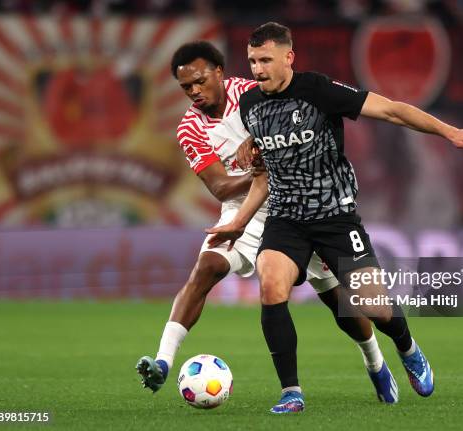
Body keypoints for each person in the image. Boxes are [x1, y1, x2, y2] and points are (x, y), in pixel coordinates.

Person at [207, 22, 463, 413]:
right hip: (285, 219)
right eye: (252, 61)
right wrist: (239, 222)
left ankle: (407, 348)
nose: (257, 69)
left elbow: (393, 111)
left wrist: (448, 131)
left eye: (266, 60)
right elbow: (265, 175)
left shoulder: (319, 91)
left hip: (335, 219)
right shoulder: (250, 106)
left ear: (289, 57)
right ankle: (291, 392)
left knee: (373, 307)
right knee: (271, 284)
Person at [135, 41, 396, 407]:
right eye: (186, 87)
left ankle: (376, 362)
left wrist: (267, 151)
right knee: (207, 265)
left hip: (296, 205)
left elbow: (298, 118)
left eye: (199, 81)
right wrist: (261, 169)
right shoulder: (190, 128)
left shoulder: (253, 92)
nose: (194, 92)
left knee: (338, 301)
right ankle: (162, 359)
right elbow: (221, 187)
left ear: (219, 73)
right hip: (243, 209)